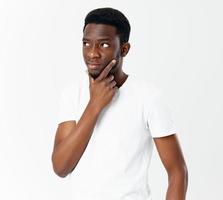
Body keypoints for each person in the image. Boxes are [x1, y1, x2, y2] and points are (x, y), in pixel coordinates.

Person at [51, 7, 188, 200]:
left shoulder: (148, 97)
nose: (92, 54)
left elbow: (177, 171)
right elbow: (61, 167)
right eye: (86, 44)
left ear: (124, 49)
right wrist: (94, 105)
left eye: (104, 45)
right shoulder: (72, 94)